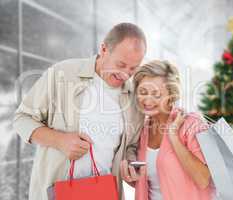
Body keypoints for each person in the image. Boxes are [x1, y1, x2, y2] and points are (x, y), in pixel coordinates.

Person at [13, 23, 147, 200]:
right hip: (56, 192)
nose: (125, 74)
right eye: (120, 64)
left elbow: (130, 146)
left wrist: (130, 164)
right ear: (104, 49)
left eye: (133, 68)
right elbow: (22, 119)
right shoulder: (63, 73)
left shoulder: (133, 98)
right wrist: (60, 140)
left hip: (104, 193)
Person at [121, 60, 214, 200]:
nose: (147, 100)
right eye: (143, 92)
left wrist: (173, 137)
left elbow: (203, 180)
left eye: (156, 94)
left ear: (171, 96)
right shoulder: (143, 129)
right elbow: (156, 182)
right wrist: (129, 176)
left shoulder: (192, 124)